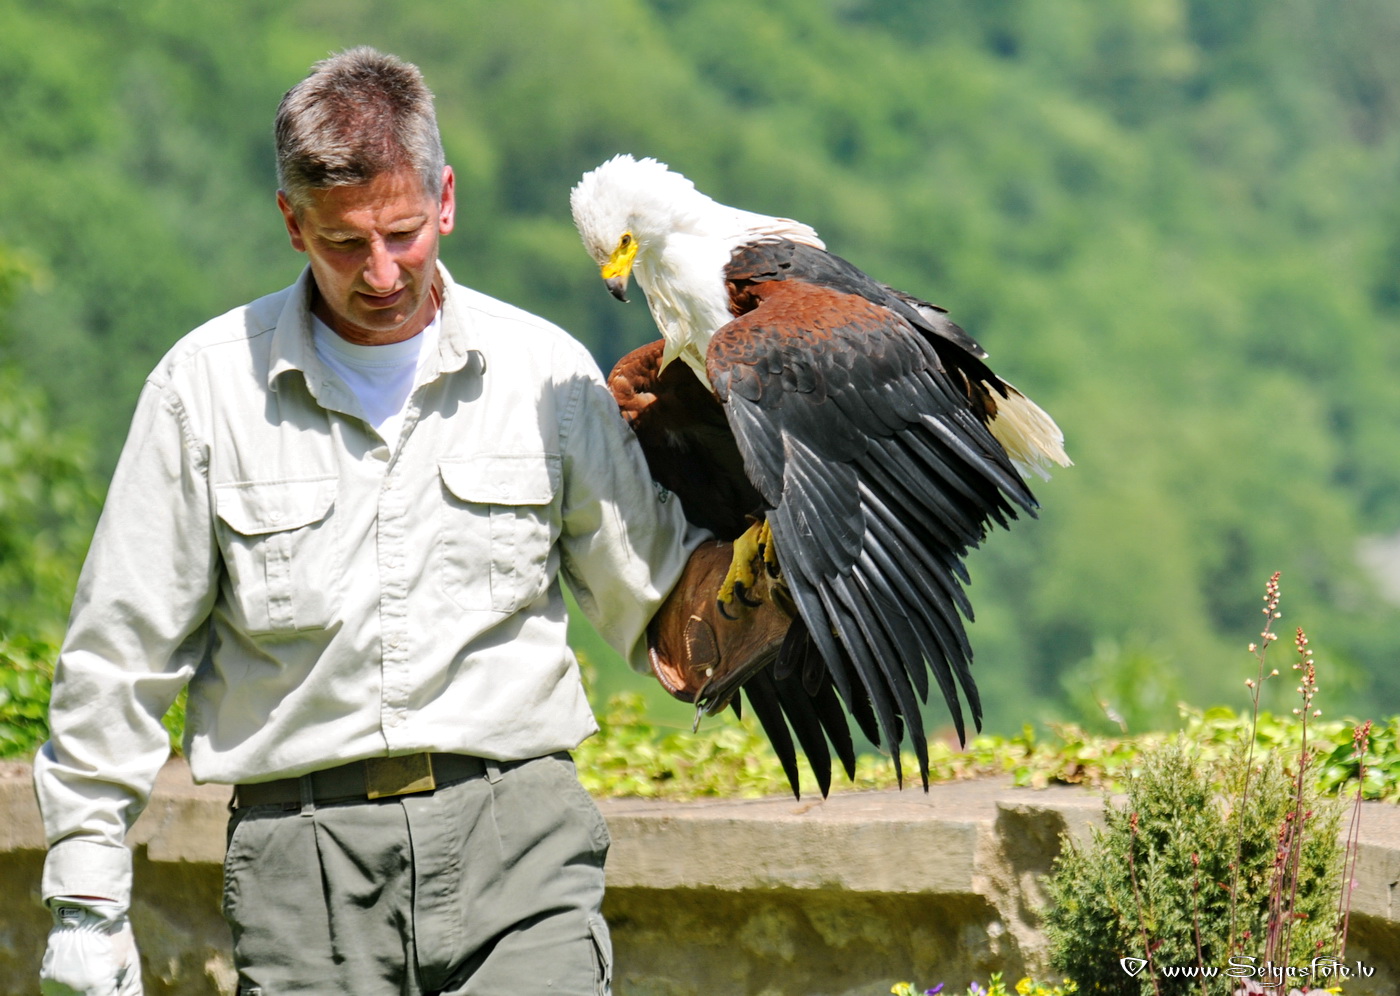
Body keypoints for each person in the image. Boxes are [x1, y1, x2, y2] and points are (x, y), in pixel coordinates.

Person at [35, 47, 782, 995]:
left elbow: (664, 597)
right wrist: (86, 904)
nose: (382, 272)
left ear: (446, 201)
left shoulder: (544, 375)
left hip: (520, 851)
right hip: (303, 873)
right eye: (345, 243)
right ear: (292, 223)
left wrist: (811, 544)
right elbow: (119, 658)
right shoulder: (205, 391)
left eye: (402, 232)